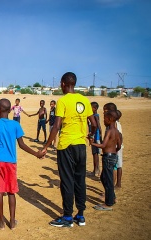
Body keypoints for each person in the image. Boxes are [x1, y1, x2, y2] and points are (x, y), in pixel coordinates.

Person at [0, 98, 42, 230]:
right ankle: (12, 222)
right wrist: (36, 153)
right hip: (11, 163)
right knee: (11, 192)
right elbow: (22, 145)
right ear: (9, 110)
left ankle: (1, 223)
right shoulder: (15, 125)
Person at [41, 72, 97, 227]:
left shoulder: (63, 101)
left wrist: (46, 146)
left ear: (63, 84)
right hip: (81, 146)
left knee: (67, 181)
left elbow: (57, 125)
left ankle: (67, 217)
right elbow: (94, 123)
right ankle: (80, 215)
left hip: (66, 145)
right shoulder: (84, 100)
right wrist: (90, 135)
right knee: (80, 180)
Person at [90, 110, 122, 211]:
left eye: (105, 119)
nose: (103, 121)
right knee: (104, 178)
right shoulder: (117, 132)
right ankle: (112, 197)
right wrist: (113, 152)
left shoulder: (109, 131)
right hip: (113, 156)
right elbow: (119, 146)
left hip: (107, 157)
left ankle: (108, 203)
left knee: (107, 180)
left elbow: (103, 145)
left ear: (110, 119)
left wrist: (92, 143)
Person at [89, 102, 102, 176]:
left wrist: (99, 137)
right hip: (93, 136)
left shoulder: (95, 116)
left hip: (95, 137)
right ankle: (95, 169)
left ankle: (96, 170)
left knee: (95, 153)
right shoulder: (93, 116)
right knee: (94, 153)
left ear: (95, 108)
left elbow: (99, 127)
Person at [114, 110, 123, 188]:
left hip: (117, 147)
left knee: (117, 165)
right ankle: (118, 183)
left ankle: (117, 183)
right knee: (118, 165)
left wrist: (118, 146)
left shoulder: (116, 124)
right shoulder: (118, 123)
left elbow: (119, 135)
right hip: (118, 146)